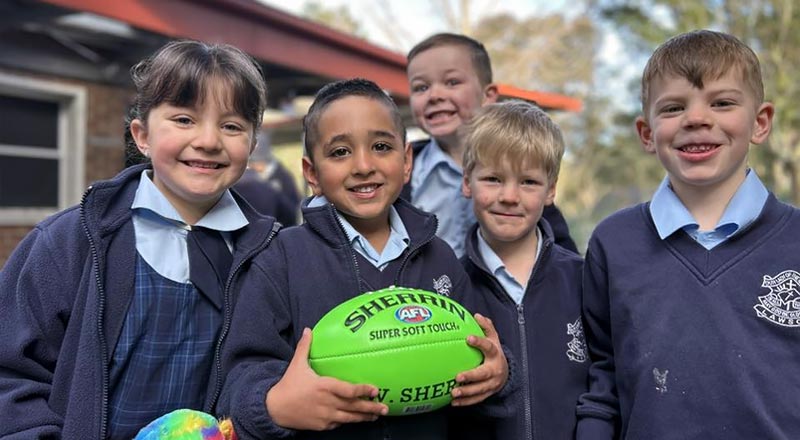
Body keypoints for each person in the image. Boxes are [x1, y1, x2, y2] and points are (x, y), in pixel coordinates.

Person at [0, 39, 279, 439]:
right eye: (184, 119)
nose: (208, 140)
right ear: (142, 135)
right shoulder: (69, 242)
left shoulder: (269, 253)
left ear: (251, 144)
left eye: (231, 126)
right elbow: (10, 372)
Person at [215, 78, 511, 440]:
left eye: (381, 146)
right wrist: (273, 404)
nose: (363, 165)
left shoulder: (440, 258)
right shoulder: (279, 258)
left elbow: (481, 357)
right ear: (312, 174)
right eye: (340, 152)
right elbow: (238, 379)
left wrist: (499, 372)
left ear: (406, 163)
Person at [576, 30, 793, 439]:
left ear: (760, 123)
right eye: (674, 107)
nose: (696, 118)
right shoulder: (613, 243)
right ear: (646, 132)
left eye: (723, 102)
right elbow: (602, 377)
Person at [457, 100, 586, 439]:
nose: (510, 196)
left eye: (528, 182)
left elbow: (607, 381)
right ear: (467, 181)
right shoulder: (449, 290)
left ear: (551, 189)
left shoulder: (584, 279)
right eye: (493, 179)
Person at [401, 32, 578, 257]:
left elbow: (560, 250)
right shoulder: (401, 173)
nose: (434, 95)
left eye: (452, 82)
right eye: (421, 88)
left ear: (488, 95)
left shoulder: (522, 167)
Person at [234, 136, 301, 226]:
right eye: (252, 162)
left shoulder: (282, 177)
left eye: (258, 162)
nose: (255, 166)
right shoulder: (242, 178)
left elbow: (292, 208)